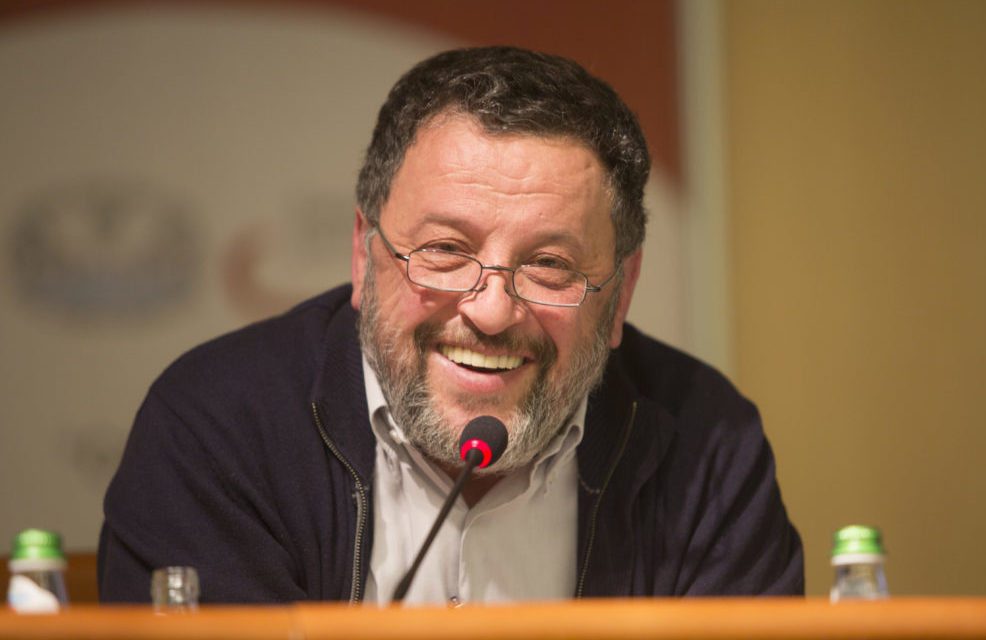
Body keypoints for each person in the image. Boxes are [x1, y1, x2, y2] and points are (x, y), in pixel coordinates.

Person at [99, 46, 803, 604]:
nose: (491, 311)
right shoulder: (217, 426)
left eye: (550, 265)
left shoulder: (706, 447)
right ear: (363, 254)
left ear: (620, 296)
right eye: (444, 251)